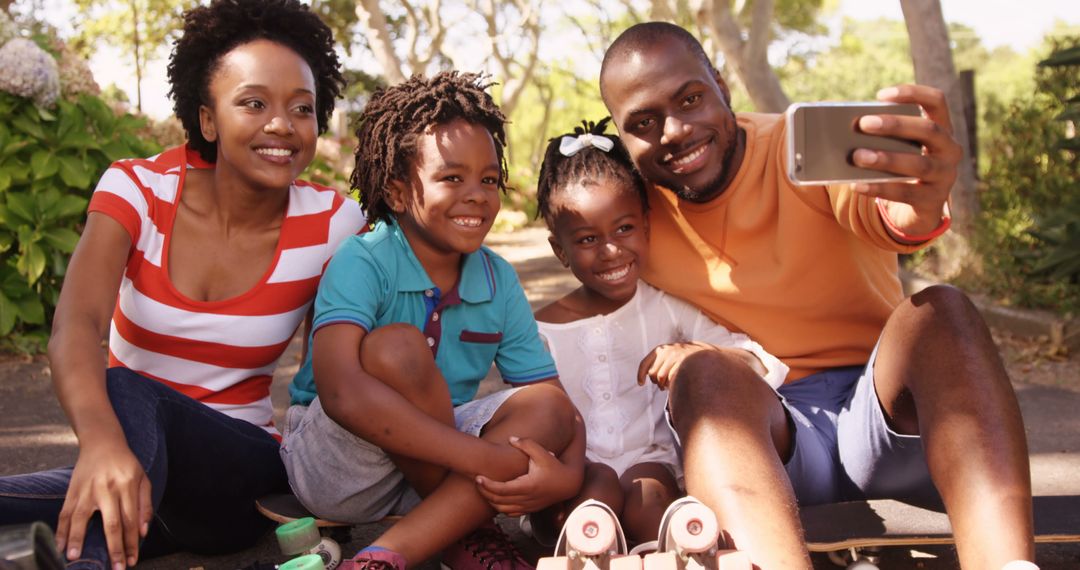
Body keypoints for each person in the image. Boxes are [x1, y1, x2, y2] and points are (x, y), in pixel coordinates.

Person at [596, 21, 1035, 570]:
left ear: (722, 86)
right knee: (703, 373)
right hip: (763, 439)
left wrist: (913, 209)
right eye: (644, 122)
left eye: (690, 98)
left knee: (942, 311)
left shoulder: (797, 151)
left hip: (884, 421)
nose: (675, 131)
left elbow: (883, 214)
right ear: (620, 134)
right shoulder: (630, 215)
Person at [0, 1, 364, 568]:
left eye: (302, 108)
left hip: (241, 478)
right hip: (129, 461)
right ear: (208, 118)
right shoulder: (138, 190)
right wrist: (100, 445)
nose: (282, 125)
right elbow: (77, 324)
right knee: (68, 487)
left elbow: (335, 373)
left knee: (126, 387)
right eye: (253, 103)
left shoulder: (332, 224)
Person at [280, 71, 586, 570]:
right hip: (340, 462)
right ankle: (468, 536)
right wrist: (487, 461)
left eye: (489, 179)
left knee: (547, 406)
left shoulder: (498, 277)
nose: (477, 194)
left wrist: (566, 476)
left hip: (436, 458)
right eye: (452, 177)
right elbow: (340, 394)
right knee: (397, 348)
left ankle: (382, 559)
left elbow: (558, 411)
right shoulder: (363, 259)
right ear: (399, 193)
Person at [523, 118, 787, 545]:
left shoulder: (666, 307)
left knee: (649, 496)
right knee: (596, 493)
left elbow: (757, 360)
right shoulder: (541, 331)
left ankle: (669, 548)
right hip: (573, 475)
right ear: (560, 251)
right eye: (588, 239)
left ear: (646, 225)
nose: (611, 251)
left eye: (624, 229)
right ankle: (588, 546)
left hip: (651, 463)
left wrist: (695, 352)